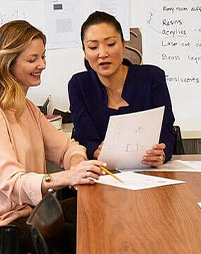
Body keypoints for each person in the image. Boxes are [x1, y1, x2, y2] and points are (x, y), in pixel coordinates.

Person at [0, 20, 103, 254]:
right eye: (32, 59)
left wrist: (77, 165)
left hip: (26, 214)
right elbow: (12, 183)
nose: (42, 65)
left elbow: (66, 148)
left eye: (43, 57)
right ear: (8, 63)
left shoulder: (27, 108)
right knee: (84, 234)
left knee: (96, 214)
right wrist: (67, 177)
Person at [68, 11, 176, 167]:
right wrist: (97, 152)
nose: (103, 53)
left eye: (111, 44)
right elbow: (86, 138)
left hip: (150, 171)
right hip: (103, 171)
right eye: (93, 47)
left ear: (124, 46)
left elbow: (166, 130)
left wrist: (162, 154)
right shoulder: (79, 85)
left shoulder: (152, 77)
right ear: (85, 52)